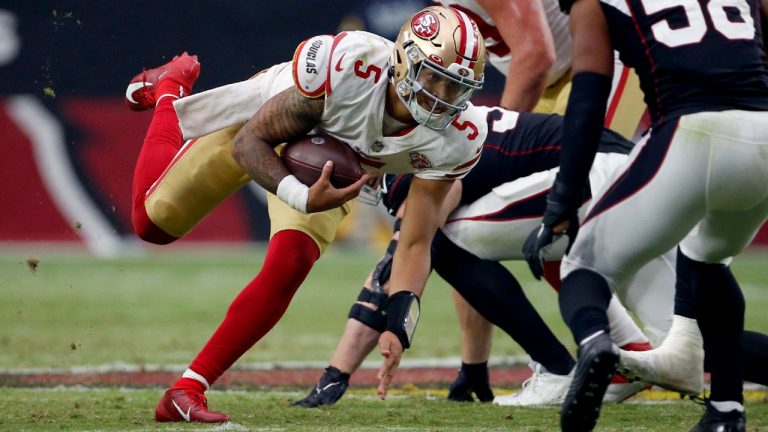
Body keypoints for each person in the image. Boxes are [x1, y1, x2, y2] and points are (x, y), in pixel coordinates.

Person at [124, 5, 488, 423]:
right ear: (404, 60)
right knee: (151, 224)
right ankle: (169, 88)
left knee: (292, 259)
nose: (441, 96)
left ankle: (187, 389)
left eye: (455, 87)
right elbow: (250, 142)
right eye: (433, 77)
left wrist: (398, 322)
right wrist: (300, 195)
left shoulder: (460, 138)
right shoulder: (350, 65)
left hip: (333, 166)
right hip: (262, 126)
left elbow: (417, 237)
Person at [295, 105, 672, 408]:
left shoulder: (411, 162)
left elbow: (398, 266)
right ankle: (628, 354)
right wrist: (474, 368)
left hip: (595, 176)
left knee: (444, 240)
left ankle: (558, 368)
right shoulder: (433, 128)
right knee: (484, 236)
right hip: (638, 175)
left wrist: (337, 372)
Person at [523, 0, 768, 430]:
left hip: (691, 132)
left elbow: (589, 95)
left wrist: (561, 203)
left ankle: (597, 344)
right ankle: (727, 411)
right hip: (763, 131)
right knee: (708, 259)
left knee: (582, 267)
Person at [430, 0, 650, 405]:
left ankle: (643, 345)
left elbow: (535, 55)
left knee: (574, 207)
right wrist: (473, 366)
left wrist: (492, 145)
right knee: (504, 217)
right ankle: (630, 351)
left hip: (604, 58)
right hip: (553, 79)